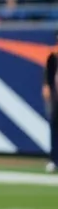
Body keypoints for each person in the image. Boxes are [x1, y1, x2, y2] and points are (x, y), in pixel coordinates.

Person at [43, 33, 57, 173]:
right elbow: (48, 78)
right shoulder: (53, 57)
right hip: (56, 98)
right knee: (54, 128)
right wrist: (46, 85)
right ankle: (54, 159)